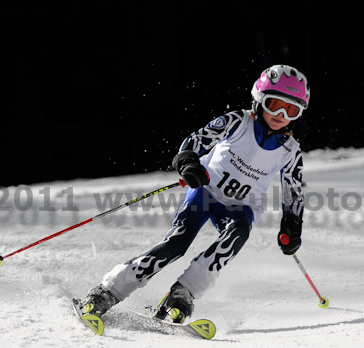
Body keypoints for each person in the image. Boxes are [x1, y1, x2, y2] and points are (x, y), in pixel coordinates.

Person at [79, 64, 308, 323]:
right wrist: (189, 163)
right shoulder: (237, 122)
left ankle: (183, 293)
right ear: (259, 99)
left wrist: (292, 224)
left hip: (240, 205)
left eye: (291, 109)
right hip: (205, 192)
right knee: (177, 244)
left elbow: (293, 192)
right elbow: (195, 141)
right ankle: (108, 290)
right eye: (274, 104)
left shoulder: (290, 150)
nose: (280, 114)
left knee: (238, 233)